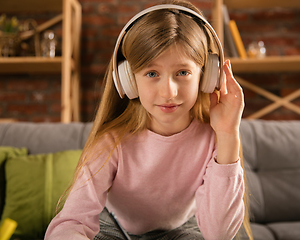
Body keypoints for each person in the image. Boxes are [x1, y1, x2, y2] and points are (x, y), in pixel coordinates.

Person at [45, 0, 253, 239]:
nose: (168, 92)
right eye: (152, 73)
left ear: (206, 77)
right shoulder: (112, 141)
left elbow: (220, 234)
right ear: (129, 80)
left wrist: (228, 134)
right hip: (113, 227)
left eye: (183, 73)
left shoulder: (213, 139)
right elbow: (71, 222)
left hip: (181, 229)